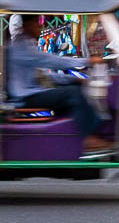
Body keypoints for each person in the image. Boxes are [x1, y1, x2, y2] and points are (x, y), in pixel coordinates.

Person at [7, 14, 111, 152]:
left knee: (76, 87)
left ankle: (74, 133)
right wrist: (87, 61)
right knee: (73, 93)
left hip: (33, 91)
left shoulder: (28, 43)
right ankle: (88, 138)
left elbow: (44, 75)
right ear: (27, 25)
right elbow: (52, 61)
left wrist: (74, 79)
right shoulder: (21, 46)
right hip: (26, 97)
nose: (40, 26)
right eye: (37, 23)